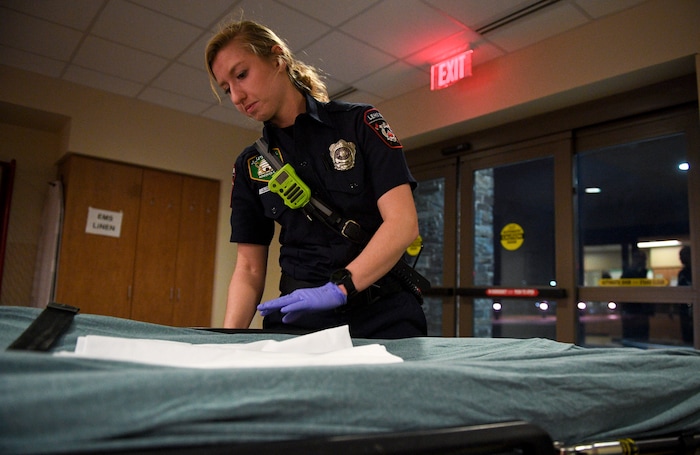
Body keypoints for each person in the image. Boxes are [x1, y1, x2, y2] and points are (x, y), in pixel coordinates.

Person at [205, 20, 427, 338]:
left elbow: (403, 224)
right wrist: (226, 340)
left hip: (383, 313)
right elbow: (249, 269)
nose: (238, 96)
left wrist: (339, 288)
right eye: (227, 89)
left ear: (277, 58)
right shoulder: (251, 165)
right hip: (300, 320)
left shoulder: (359, 124)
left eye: (241, 75)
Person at [677, 246, 692, 343]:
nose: (681, 259)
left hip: (693, 308)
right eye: (680, 256)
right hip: (684, 309)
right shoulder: (682, 273)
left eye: (683, 256)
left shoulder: (695, 271)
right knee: (687, 334)